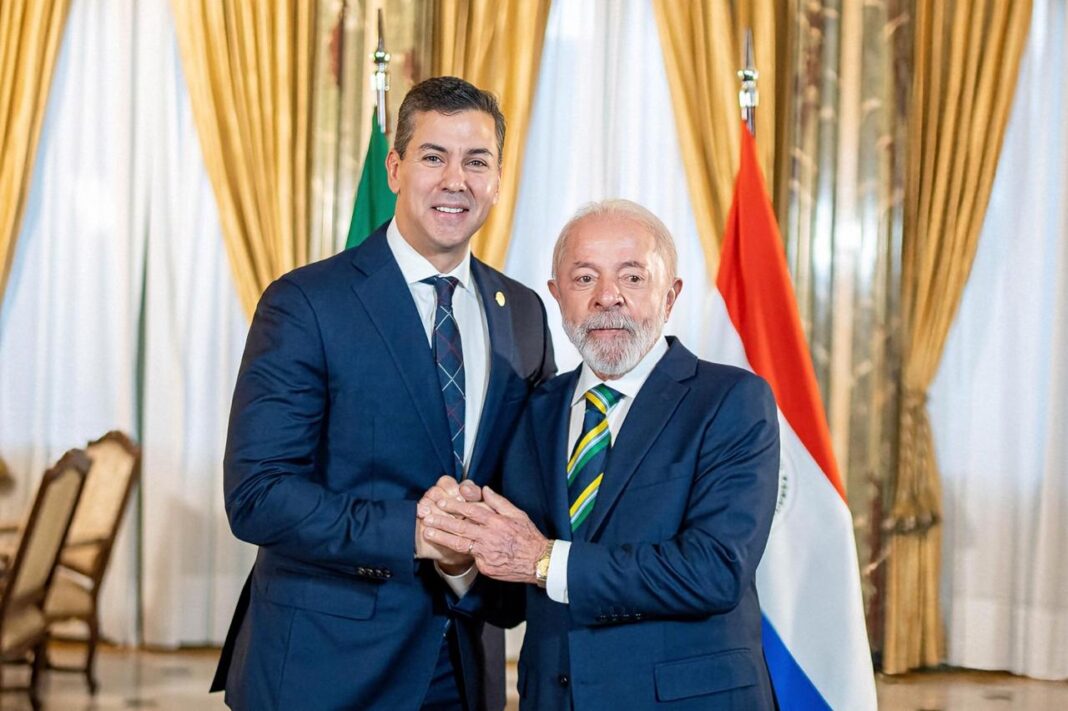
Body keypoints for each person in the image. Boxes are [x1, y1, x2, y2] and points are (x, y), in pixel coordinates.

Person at [211, 76, 556, 710]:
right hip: (325, 668)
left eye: (477, 161)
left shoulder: (525, 313)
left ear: (499, 180)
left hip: (466, 665)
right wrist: (415, 532)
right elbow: (257, 495)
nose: (456, 180)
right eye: (434, 156)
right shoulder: (306, 303)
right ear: (394, 169)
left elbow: (528, 486)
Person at [420, 199, 781, 709]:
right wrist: (461, 557)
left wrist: (544, 559)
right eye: (584, 278)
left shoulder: (730, 401)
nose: (607, 297)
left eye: (632, 277)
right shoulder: (534, 409)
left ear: (670, 295)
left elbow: (714, 571)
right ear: (557, 296)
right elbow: (514, 593)